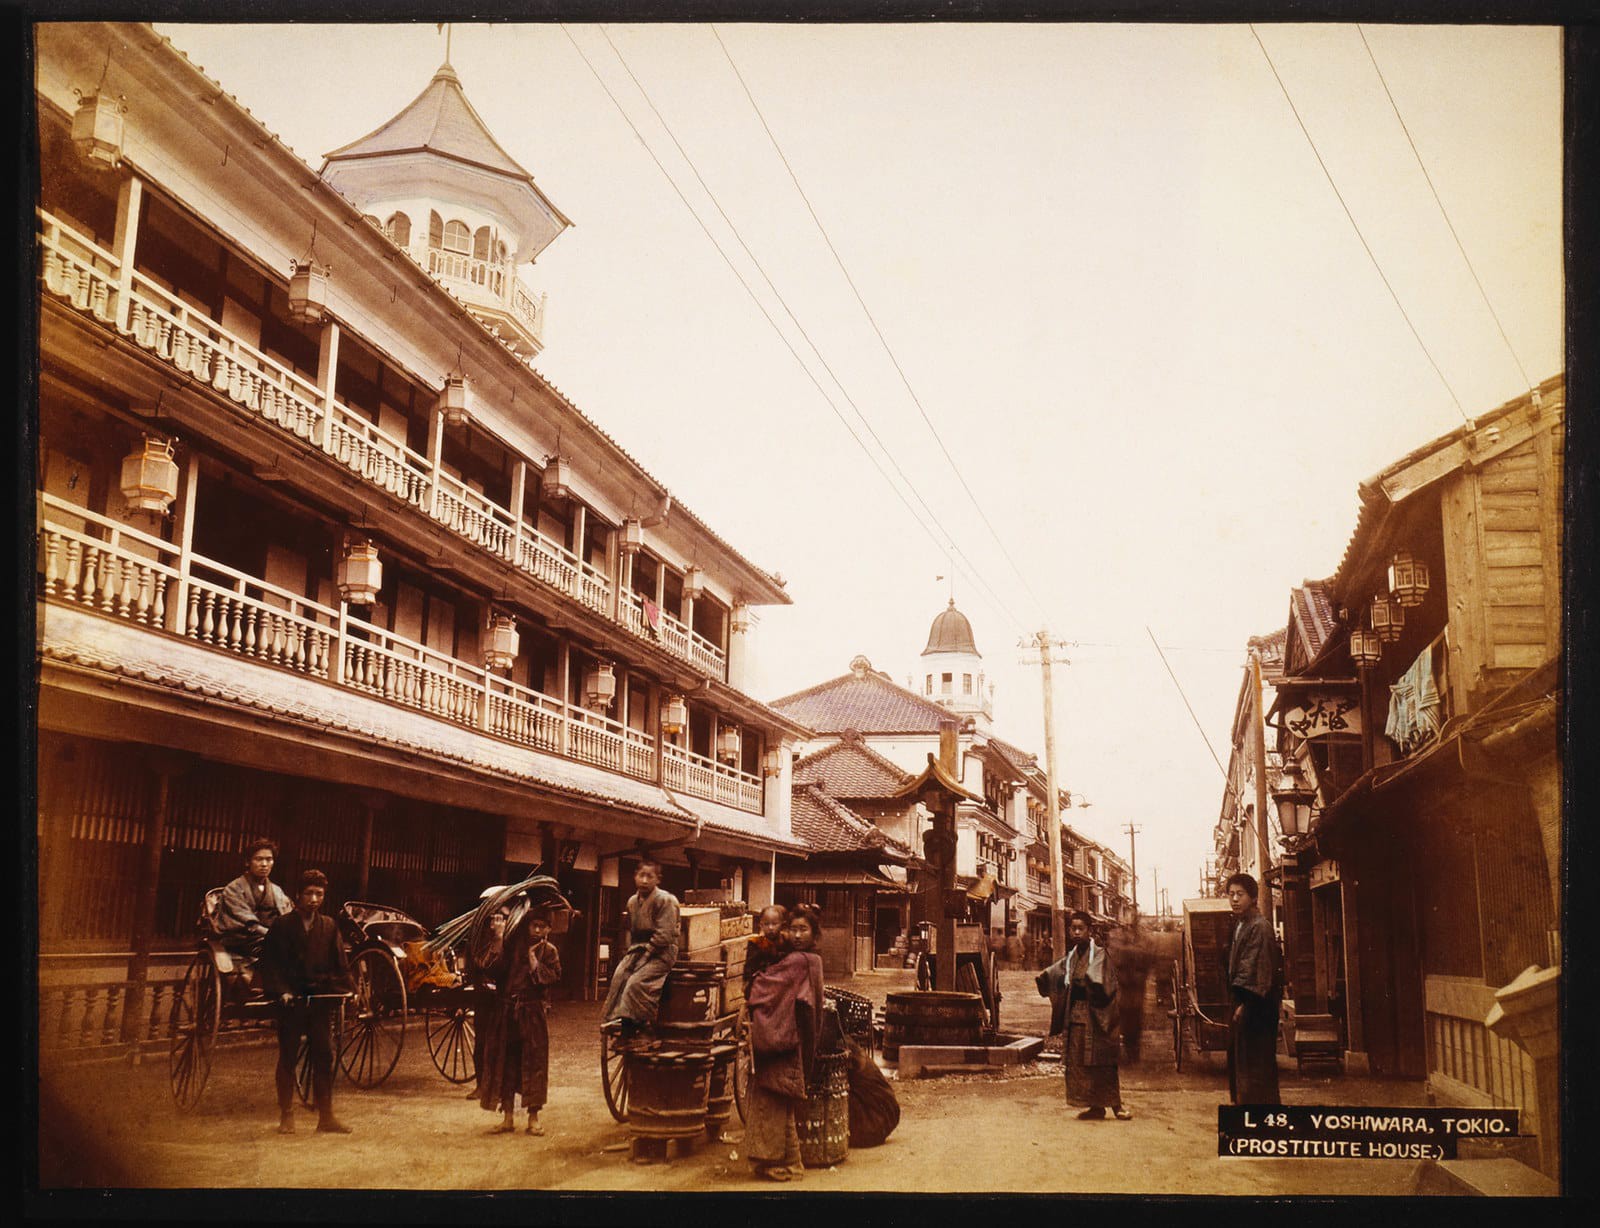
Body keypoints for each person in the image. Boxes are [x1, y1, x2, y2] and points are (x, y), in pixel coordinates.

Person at [259, 869, 352, 1135]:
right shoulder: (282, 925)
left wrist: (349, 990)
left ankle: (326, 1116)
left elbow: (340, 964)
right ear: (297, 895)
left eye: (319, 894)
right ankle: (286, 1114)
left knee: (324, 1055)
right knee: (288, 1056)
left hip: (320, 1001)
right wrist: (282, 991)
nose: (313, 899)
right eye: (309, 893)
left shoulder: (329, 925)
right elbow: (271, 964)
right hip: (292, 1001)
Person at [744, 904, 825, 1181]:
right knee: (783, 1103)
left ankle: (774, 1159)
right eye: (793, 929)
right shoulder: (810, 960)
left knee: (772, 1100)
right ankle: (792, 1162)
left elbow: (764, 989)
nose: (798, 934)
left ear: (815, 934)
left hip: (781, 1035)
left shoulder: (798, 961)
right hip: (793, 1036)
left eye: (804, 929)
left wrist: (752, 983)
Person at [1036, 911, 1130, 1121]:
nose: (1076, 932)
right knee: (1079, 1062)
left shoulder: (1099, 954)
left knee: (1102, 1062)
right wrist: (1046, 980)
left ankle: (1116, 1105)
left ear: (1089, 931)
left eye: (1081, 928)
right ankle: (1095, 1107)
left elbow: (1100, 982)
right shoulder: (1070, 957)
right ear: (1069, 931)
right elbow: (1054, 974)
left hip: (1097, 1015)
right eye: (1073, 928)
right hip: (1076, 1016)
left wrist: (1084, 982)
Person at [478, 905, 562, 1135]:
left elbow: (552, 977)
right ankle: (507, 1118)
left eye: (541, 926)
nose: (536, 930)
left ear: (549, 930)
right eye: (533, 925)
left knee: (534, 1064)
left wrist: (534, 959)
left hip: (532, 1013)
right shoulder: (512, 945)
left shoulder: (550, 951)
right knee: (507, 1062)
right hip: (507, 1011)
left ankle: (533, 1118)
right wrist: (497, 938)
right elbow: (494, 970)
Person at [1225, 873, 1284, 1106]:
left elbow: (1255, 968)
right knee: (1243, 1063)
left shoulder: (1259, 927)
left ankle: (1260, 1117)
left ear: (1253, 897)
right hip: (1244, 1003)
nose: (1235, 899)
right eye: (1231, 894)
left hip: (1256, 1005)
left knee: (1256, 1065)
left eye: (1240, 894)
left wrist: (1244, 1004)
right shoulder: (1241, 924)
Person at [601, 861, 679, 1035]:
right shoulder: (632, 902)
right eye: (640, 875)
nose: (644, 880)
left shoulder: (666, 900)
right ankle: (624, 1022)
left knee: (636, 982)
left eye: (649, 876)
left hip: (662, 952)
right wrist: (629, 955)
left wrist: (645, 957)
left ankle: (642, 1026)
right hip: (638, 949)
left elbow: (664, 935)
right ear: (634, 877)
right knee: (620, 977)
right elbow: (630, 930)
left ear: (658, 879)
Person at [216, 838, 292, 959]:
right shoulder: (234, 888)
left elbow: (288, 916)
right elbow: (244, 919)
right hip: (243, 939)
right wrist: (272, 935)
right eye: (259, 859)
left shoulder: (277, 890)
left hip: (270, 938)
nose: (264, 864)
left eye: (269, 859)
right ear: (248, 862)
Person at [742, 904, 791, 993]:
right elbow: (749, 966)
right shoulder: (756, 943)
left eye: (774, 924)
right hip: (762, 983)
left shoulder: (786, 941)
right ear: (761, 925)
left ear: (782, 924)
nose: (770, 928)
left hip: (782, 982)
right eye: (766, 924)